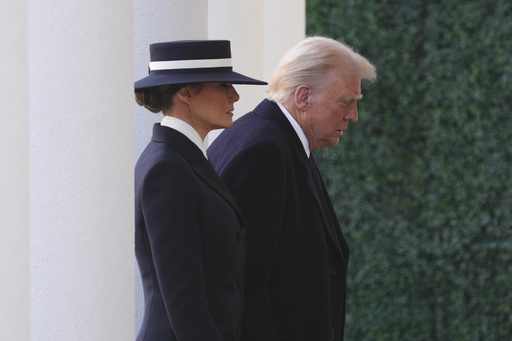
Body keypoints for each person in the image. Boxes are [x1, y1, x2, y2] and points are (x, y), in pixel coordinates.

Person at [207, 36, 377, 341]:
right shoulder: (264, 150)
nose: (353, 115)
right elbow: (239, 282)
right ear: (303, 97)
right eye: (345, 101)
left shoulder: (280, 141)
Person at [134, 40, 266, 341]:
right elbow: (184, 300)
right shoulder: (167, 168)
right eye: (223, 85)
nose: (235, 95)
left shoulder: (184, 159)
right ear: (186, 92)